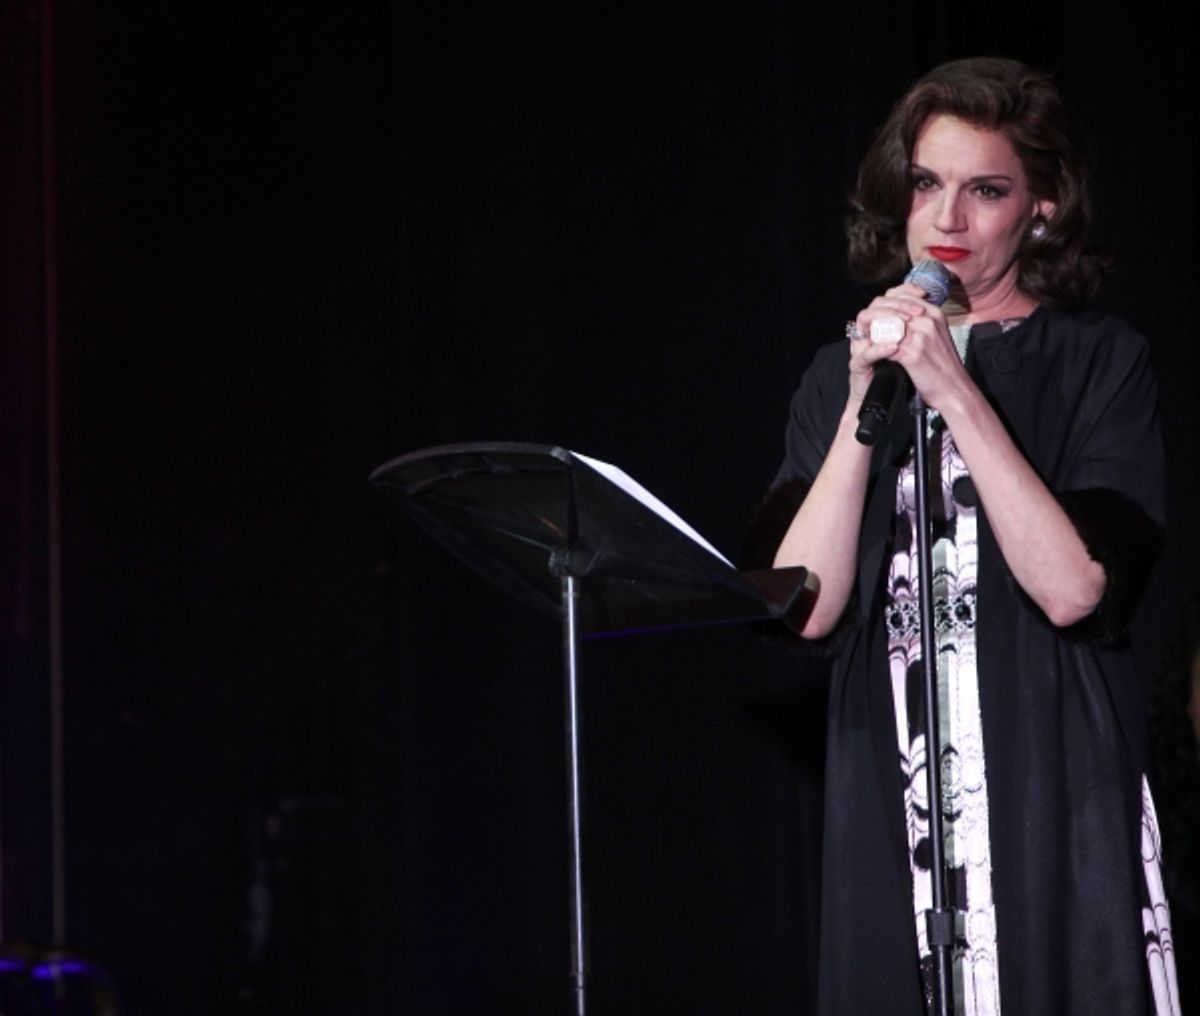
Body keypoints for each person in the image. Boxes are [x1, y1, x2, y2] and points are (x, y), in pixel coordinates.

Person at [749, 57, 1178, 1014]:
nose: (947, 220)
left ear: (1042, 209)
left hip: (1050, 766)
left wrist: (952, 384)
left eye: (986, 191)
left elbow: (1075, 588)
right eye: (926, 184)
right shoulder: (835, 376)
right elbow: (802, 609)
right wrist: (868, 392)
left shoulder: (1102, 361)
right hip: (890, 772)